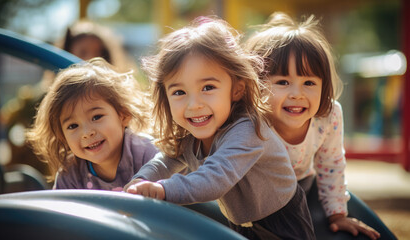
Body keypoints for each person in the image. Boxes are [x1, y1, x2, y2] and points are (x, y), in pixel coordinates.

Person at [124, 16, 315, 240]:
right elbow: (166, 160)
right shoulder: (190, 133)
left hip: (282, 221)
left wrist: (163, 190)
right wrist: (140, 180)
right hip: (241, 221)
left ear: (236, 90)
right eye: (179, 92)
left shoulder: (247, 130)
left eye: (208, 87)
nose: (194, 104)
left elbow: (214, 178)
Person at [245, 12, 381, 240]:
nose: (297, 94)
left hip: (301, 187)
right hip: (253, 194)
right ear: (257, 85)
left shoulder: (328, 115)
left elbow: (331, 164)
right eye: (283, 82)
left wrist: (337, 214)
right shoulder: (251, 120)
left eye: (308, 82)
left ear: (323, 85)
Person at [0, 20, 137, 177]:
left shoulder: (117, 99)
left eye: (100, 53)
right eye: (83, 52)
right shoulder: (46, 99)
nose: (92, 59)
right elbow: (9, 117)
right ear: (66, 52)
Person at [26, 58, 158, 190]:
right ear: (62, 136)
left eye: (96, 117)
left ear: (123, 114)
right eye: (73, 126)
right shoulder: (71, 174)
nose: (87, 132)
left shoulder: (148, 154)